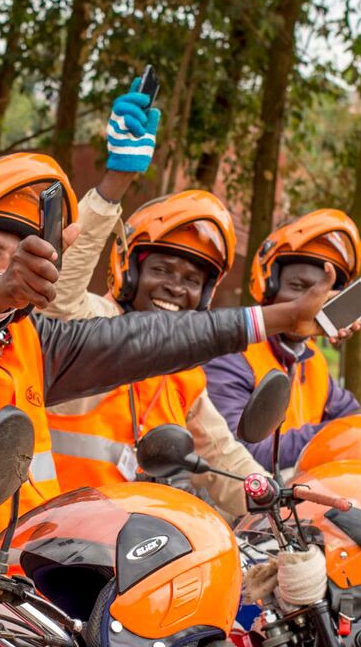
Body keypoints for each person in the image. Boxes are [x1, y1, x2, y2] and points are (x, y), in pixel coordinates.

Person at [0, 154, 333, 559]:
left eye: (20, 255)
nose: (5, 266)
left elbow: (150, 341)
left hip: (35, 585)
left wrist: (278, 319)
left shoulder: (31, 341)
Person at [40, 84, 265, 513]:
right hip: (48, 553)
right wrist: (113, 186)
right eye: (161, 270)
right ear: (129, 270)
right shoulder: (93, 325)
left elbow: (224, 460)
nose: (175, 287)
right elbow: (59, 298)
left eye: (191, 278)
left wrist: (278, 497)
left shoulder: (183, 374)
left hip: (140, 556)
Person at [205, 209, 361, 472]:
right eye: (298, 287)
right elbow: (246, 453)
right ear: (267, 287)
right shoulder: (232, 356)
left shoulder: (312, 359)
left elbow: (353, 413)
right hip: (240, 505)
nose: (310, 302)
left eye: (323, 291)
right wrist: (345, 433)